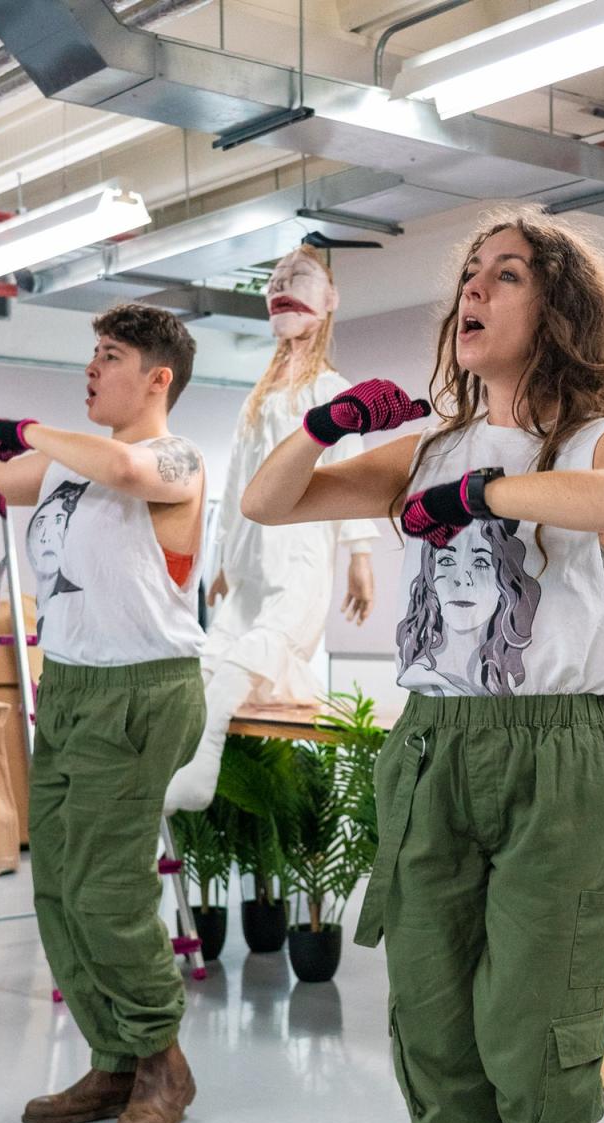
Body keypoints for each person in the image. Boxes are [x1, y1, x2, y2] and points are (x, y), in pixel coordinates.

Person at [241, 204, 604, 1123]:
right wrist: (326, 421)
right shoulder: (428, 443)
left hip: (555, 744)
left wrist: (481, 498)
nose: (473, 291)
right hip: (433, 744)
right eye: (469, 274)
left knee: (532, 1021)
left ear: (557, 308)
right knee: (430, 1023)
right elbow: (272, 503)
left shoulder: (595, 437)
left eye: (506, 274)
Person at [0, 303, 207, 1123]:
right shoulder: (64, 469)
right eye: (90, 353)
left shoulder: (177, 457)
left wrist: (33, 430)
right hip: (72, 687)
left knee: (108, 883)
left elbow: (128, 472)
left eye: (110, 355)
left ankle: (162, 1057)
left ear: (157, 377)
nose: (91, 368)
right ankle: (115, 1057)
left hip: (143, 690)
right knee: (56, 882)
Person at [163, 243, 378, 814]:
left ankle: (203, 761)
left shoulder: (334, 391)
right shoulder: (255, 402)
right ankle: (184, 763)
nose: (283, 282)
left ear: (330, 298)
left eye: (300, 275)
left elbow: (351, 469)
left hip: (303, 547)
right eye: (276, 276)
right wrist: (219, 561)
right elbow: (235, 482)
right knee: (217, 653)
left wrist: (359, 553)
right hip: (251, 552)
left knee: (263, 646)